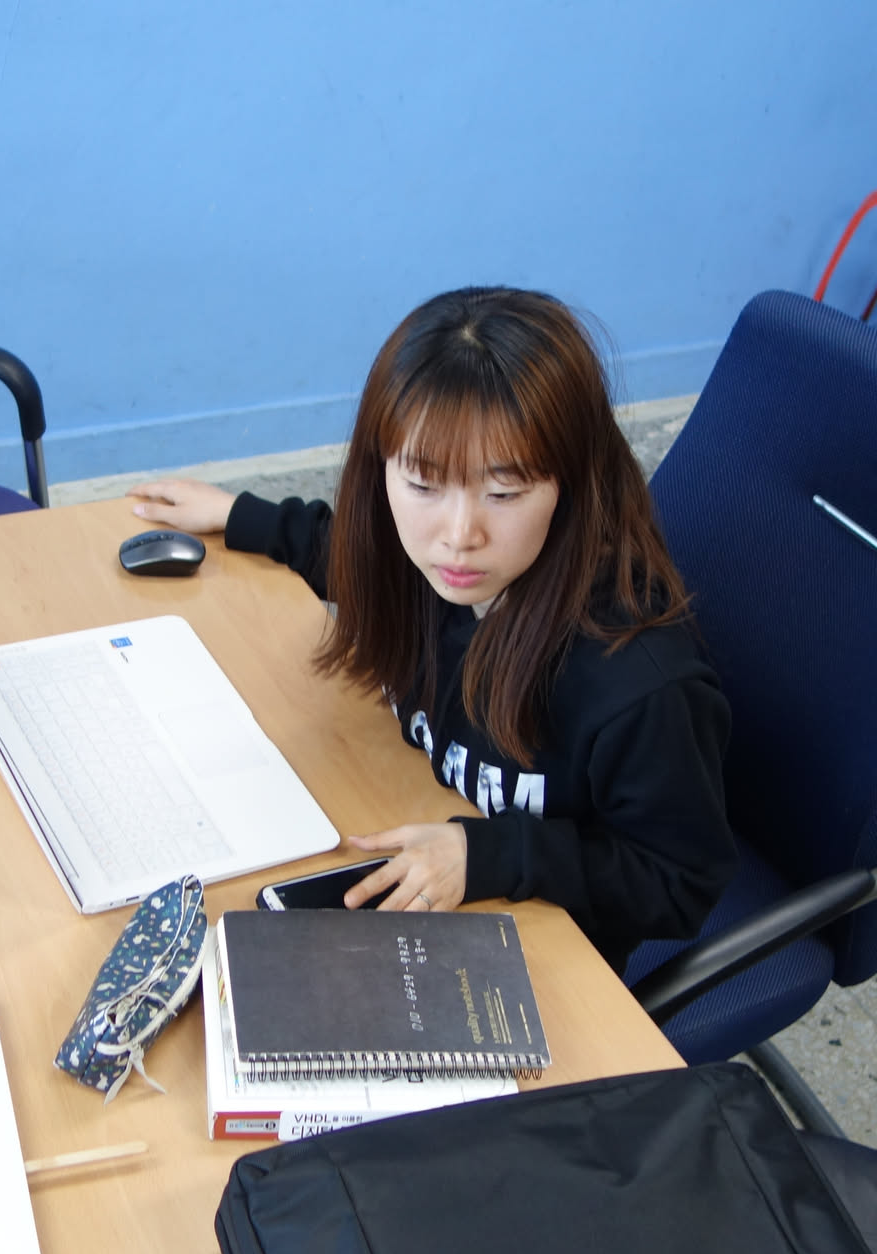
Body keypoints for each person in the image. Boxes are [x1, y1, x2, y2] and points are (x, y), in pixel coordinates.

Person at [127, 287, 733, 968]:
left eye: (503, 493)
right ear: (380, 472)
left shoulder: (640, 689)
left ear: (572, 487)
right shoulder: (426, 567)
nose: (458, 536)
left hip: (544, 943)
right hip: (425, 846)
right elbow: (349, 556)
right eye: (422, 485)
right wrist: (243, 516)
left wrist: (491, 854)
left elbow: (681, 883)